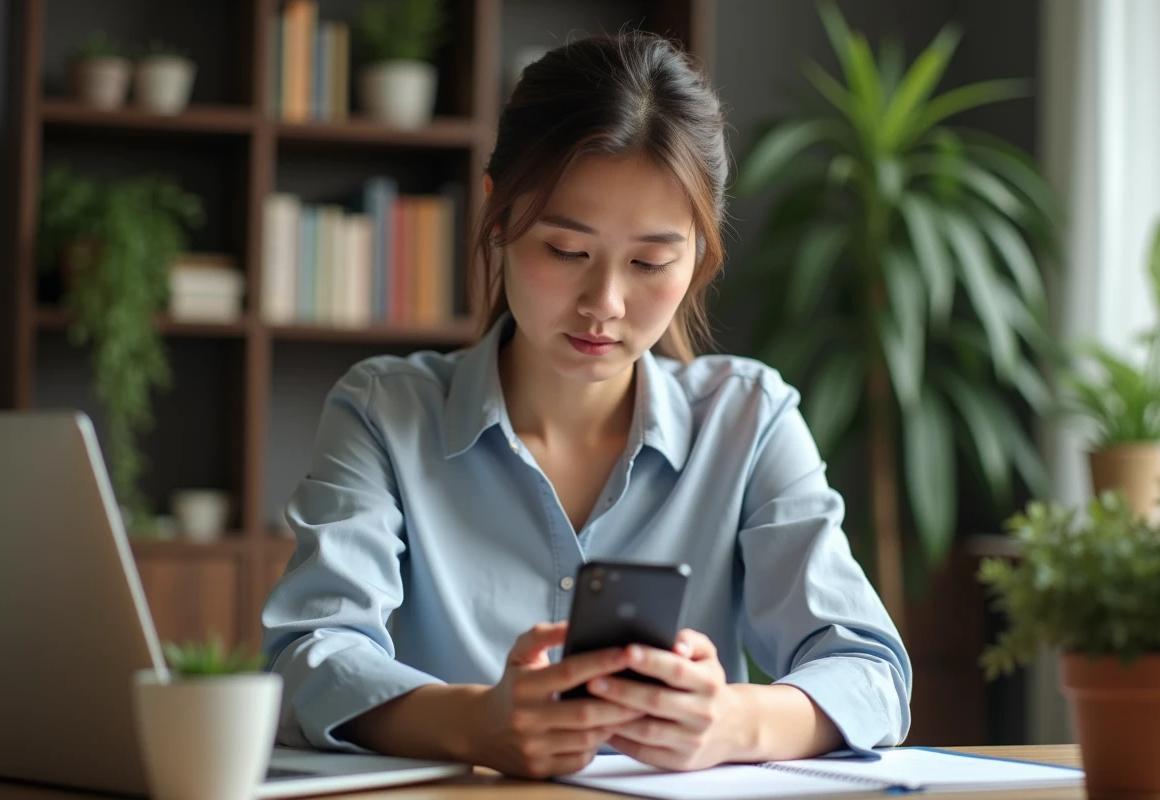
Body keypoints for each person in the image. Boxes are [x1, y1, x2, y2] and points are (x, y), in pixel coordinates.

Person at [260, 31, 911, 780]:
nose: (603, 303)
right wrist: (478, 724)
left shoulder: (749, 419)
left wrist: (734, 721)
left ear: (701, 250)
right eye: (566, 252)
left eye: (650, 262)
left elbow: (871, 671)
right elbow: (311, 658)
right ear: (497, 218)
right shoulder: (385, 412)